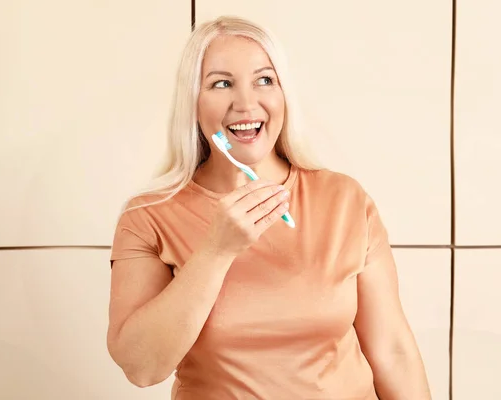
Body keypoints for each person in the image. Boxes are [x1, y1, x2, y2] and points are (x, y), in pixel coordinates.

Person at [106, 15, 431, 400]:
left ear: (283, 96)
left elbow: (393, 353)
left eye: (264, 80)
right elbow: (142, 368)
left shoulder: (345, 200)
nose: (245, 103)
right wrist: (216, 250)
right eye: (221, 83)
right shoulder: (149, 216)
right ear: (193, 103)